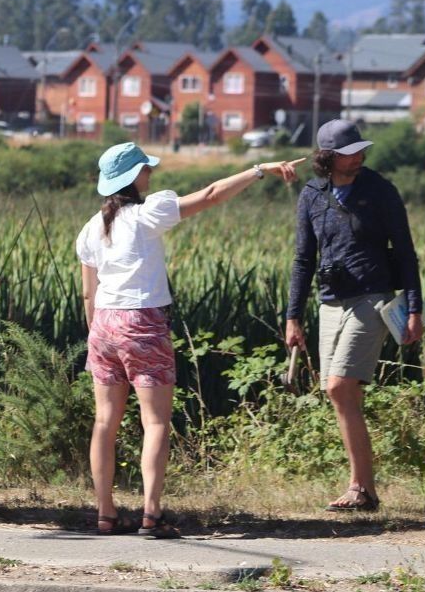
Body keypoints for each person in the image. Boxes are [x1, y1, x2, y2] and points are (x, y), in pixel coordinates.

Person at [77, 142, 301, 538]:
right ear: (134, 177)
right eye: (146, 169)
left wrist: (97, 335)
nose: (151, 175)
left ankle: (106, 514)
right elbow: (211, 194)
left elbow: (87, 295)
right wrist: (259, 170)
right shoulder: (148, 214)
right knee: (156, 420)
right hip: (142, 320)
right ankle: (151, 513)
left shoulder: (91, 228)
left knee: (104, 422)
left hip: (103, 327)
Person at [285, 119, 424, 512]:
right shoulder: (312, 194)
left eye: (361, 150)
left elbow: (406, 252)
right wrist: (293, 317)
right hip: (330, 302)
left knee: (338, 387)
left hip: (373, 299)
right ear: (328, 158)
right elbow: (302, 260)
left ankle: (361, 487)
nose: (360, 156)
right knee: (341, 395)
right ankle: (364, 489)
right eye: (351, 153)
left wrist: (414, 308)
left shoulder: (380, 191)